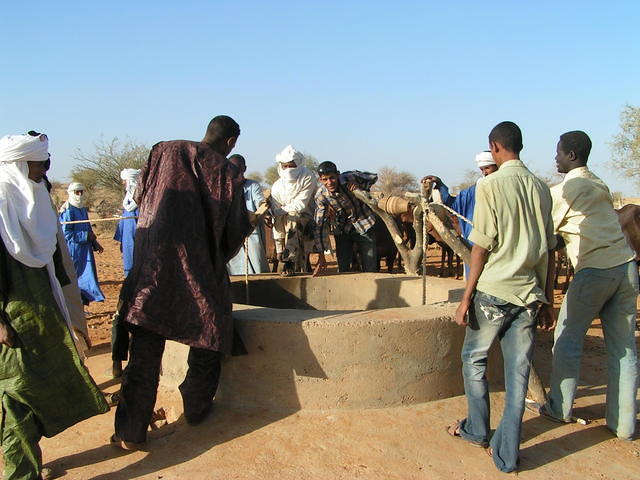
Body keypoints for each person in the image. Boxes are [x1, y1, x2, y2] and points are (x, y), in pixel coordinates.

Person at [112, 115, 251, 449]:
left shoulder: (163, 152)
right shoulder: (227, 171)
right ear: (231, 141)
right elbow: (233, 230)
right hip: (196, 272)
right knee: (209, 332)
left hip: (151, 271)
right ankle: (197, 407)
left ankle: (130, 432)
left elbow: (142, 196)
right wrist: (214, 255)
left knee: (144, 353)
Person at [447, 122, 556, 473]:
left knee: (474, 360)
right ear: (519, 146)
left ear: (495, 147)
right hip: (528, 294)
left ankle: (477, 429)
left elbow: (480, 247)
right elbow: (549, 251)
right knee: (518, 374)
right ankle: (506, 455)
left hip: (493, 293)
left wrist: (466, 298)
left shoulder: (490, 185)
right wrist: (547, 297)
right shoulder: (541, 188)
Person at [0, 133, 108, 480]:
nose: (43, 171)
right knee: (15, 396)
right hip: (12, 319)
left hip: (44, 314)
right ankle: (22, 473)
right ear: (18, 165)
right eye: (38, 164)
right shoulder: (2, 201)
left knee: (39, 390)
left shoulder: (35, 199)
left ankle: (29, 461)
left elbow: (54, 262)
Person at [535, 131, 638, 440]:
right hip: (627, 268)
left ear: (570, 155)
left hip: (595, 271)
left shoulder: (567, 190)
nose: (555, 158)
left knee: (566, 338)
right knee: (624, 349)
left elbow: (546, 235)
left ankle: (559, 407)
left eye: (558, 152)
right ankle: (624, 425)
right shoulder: (598, 183)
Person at [313, 161, 378, 275]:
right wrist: (321, 256)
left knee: (370, 266)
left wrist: (359, 184)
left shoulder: (349, 176)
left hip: (364, 222)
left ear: (338, 174)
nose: (329, 182)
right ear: (320, 180)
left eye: (332, 178)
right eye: (325, 179)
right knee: (343, 268)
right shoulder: (321, 196)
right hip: (343, 228)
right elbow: (320, 226)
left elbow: (373, 177)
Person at [423, 151, 498, 240]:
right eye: (482, 169)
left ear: (497, 167)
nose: (484, 173)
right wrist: (440, 184)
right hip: (477, 241)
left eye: (487, 168)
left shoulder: (507, 187)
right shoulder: (475, 190)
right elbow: (454, 204)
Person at [269, 145, 318, 274]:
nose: (288, 169)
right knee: (285, 219)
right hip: (284, 224)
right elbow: (277, 218)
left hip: (307, 220)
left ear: (299, 164)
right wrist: (279, 247)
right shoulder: (277, 187)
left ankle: (290, 261)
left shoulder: (308, 177)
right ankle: (287, 258)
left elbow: (301, 204)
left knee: (293, 216)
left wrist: (281, 211)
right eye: (285, 166)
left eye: (291, 166)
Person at [111, 168, 141, 378]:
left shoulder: (138, 209)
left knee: (128, 317)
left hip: (141, 271)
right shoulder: (129, 208)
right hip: (135, 271)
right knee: (123, 317)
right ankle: (117, 365)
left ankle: (122, 365)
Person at [59, 183, 105, 306]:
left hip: (86, 249)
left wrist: (95, 243)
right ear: (71, 193)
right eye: (76, 192)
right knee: (75, 278)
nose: (79, 195)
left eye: (81, 192)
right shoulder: (68, 210)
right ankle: (74, 306)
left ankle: (82, 303)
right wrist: (85, 236)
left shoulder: (82, 209)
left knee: (86, 277)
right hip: (74, 249)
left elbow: (88, 227)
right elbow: (66, 233)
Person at [227, 154, 269, 275]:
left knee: (257, 261)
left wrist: (263, 205)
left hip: (251, 230)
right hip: (232, 230)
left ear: (244, 169)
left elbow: (260, 202)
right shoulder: (224, 187)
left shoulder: (252, 185)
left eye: (239, 170)